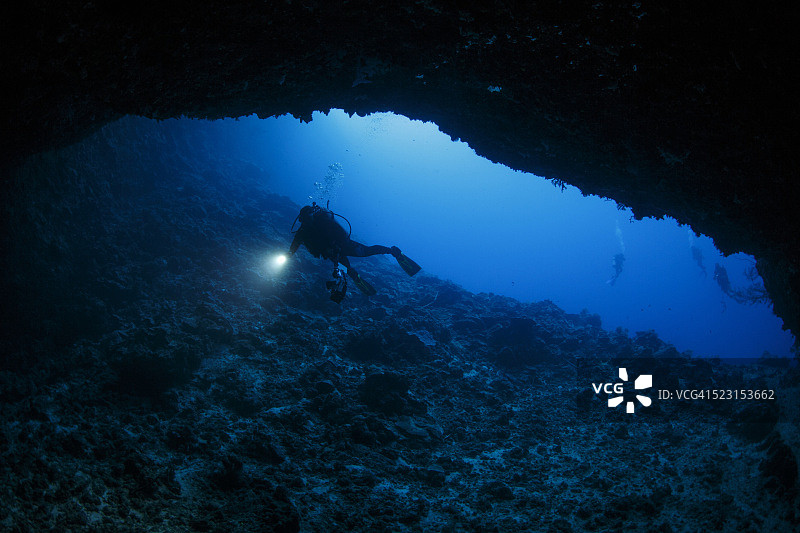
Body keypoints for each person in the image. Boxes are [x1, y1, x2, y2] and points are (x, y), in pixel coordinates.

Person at [288, 203, 420, 302]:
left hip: (344, 245)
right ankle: (354, 276)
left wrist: (334, 246)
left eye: (308, 217)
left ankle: (393, 251)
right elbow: (295, 244)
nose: (307, 221)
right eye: (304, 219)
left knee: (366, 251)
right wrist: (289, 254)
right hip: (333, 254)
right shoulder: (303, 231)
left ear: (312, 214)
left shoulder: (323, 220)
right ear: (301, 219)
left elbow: (336, 232)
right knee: (346, 268)